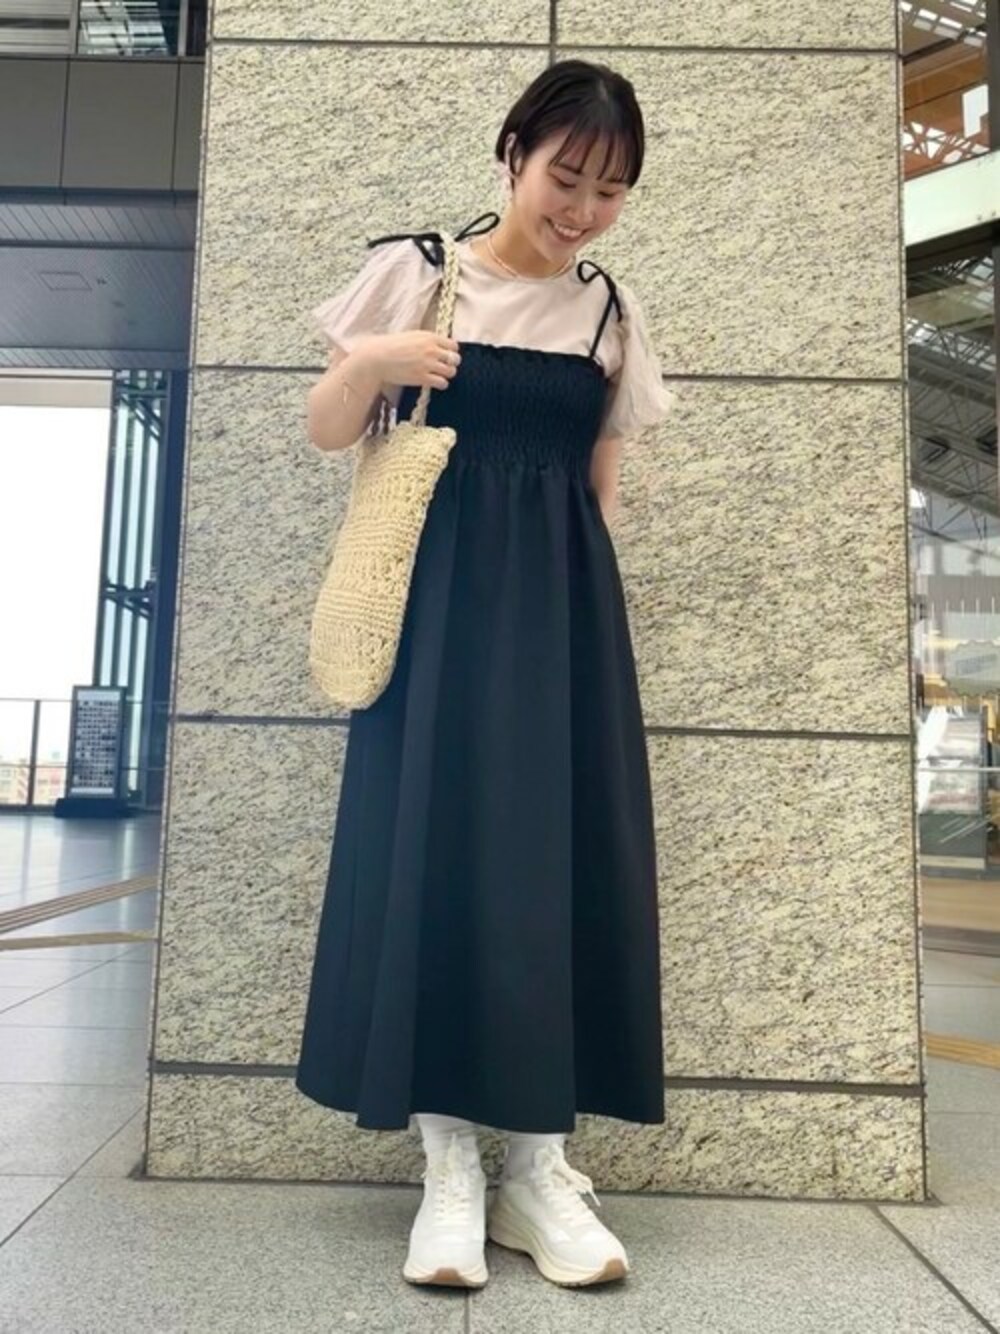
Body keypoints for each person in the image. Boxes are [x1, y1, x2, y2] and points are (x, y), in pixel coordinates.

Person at [295, 57, 678, 1290]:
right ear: (513, 155)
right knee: (437, 851)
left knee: (556, 867)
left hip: (561, 618)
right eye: (567, 176)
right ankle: (449, 1164)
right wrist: (374, 361)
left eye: (610, 190)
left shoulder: (608, 312)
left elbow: (599, 490)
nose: (582, 209)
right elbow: (326, 426)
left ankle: (538, 1167)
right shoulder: (419, 271)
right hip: (435, 612)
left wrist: (581, 631)